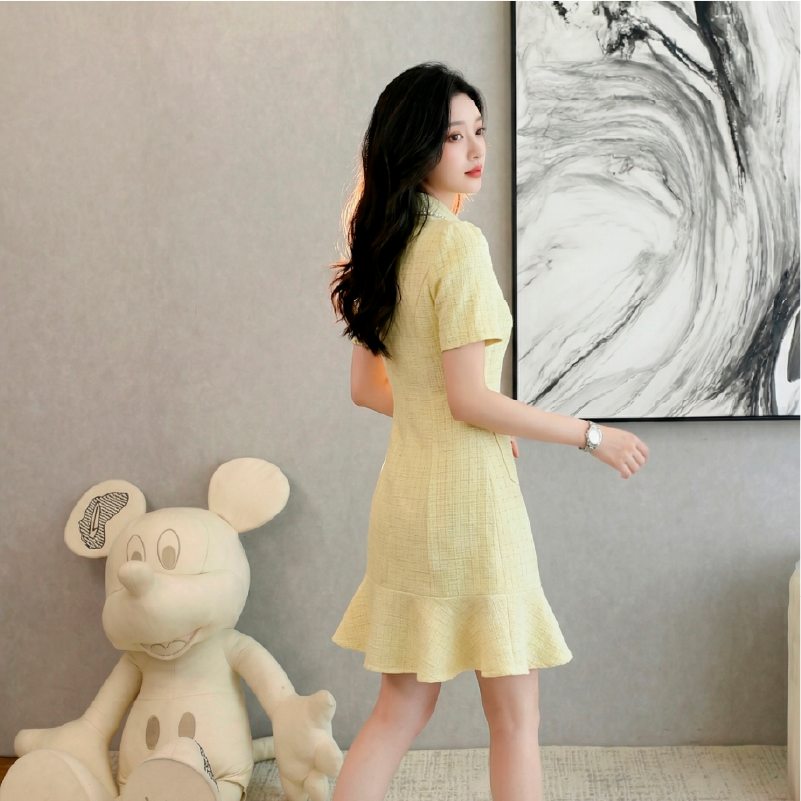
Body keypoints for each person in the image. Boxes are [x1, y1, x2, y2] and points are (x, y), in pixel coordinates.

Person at [328, 62, 649, 801]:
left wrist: (460, 418)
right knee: (515, 717)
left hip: (405, 506)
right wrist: (589, 434)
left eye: (478, 130)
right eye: (453, 136)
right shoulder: (456, 246)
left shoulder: (384, 243)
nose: (475, 149)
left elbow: (370, 389)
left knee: (398, 709)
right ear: (414, 145)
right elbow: (470, 398)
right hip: (472, 512)